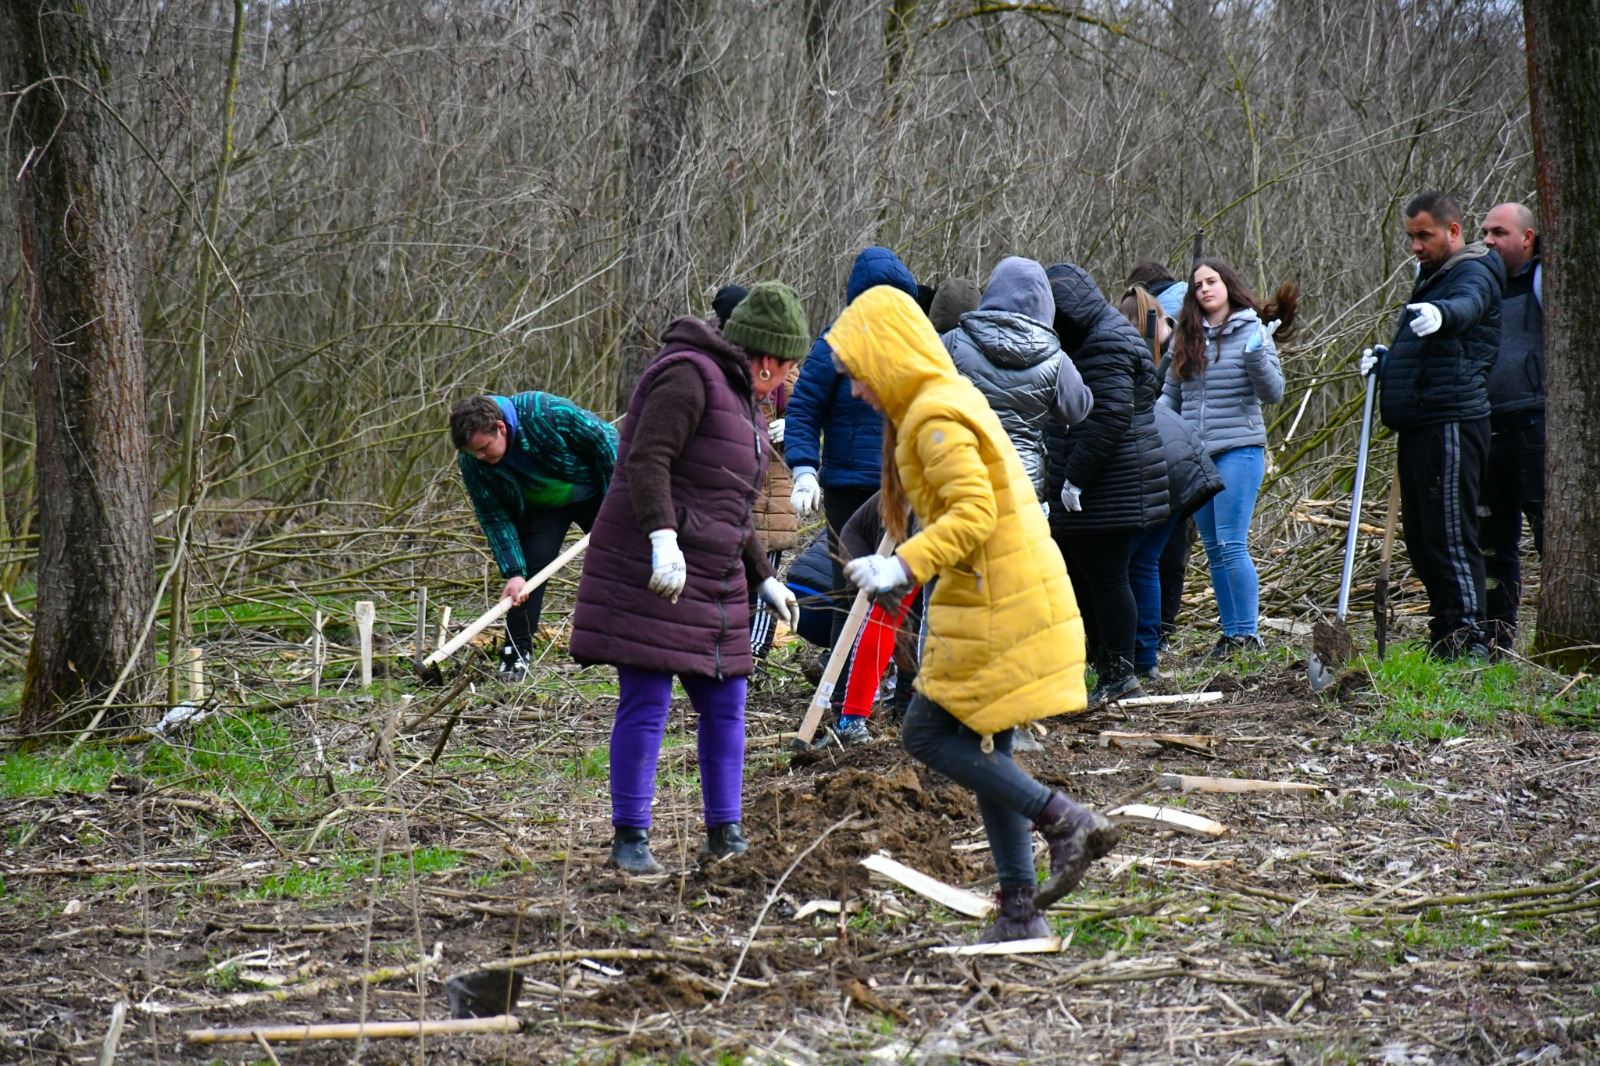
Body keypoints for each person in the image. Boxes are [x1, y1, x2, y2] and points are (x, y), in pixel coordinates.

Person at [826, 283, 1118, 943]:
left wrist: (900, 566)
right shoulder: (937, 403)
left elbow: (973, 513)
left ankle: (1065, 819)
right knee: (991, 747)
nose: (852, 392)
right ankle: (1020, 913)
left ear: (886, 357)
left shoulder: (931, 418)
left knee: (925, 734)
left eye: (856, 375)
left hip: (996, 602)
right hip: (1002, 593)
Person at [569, 282, 810, 875]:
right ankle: (630, 840)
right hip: (657, 570)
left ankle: (724, 834)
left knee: (727, 701)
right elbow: (647, 460)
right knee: (647, 699)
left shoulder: (743, 401)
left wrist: (763, 578)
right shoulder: (688, 376)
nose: (786, 380)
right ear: (765, 357)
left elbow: (730, 499)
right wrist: (661, 537)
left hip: (717, 578)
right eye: (786, 367)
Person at [1361, 191, 1502, 660]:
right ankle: (1445, 633)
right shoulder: (1431, 277)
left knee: (1448, 532)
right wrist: (1389, 360)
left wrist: (1443, 315)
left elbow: (1469, 306)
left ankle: (1469, 638)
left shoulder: (1472, 269)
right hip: (1421, 420)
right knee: (1421, 538)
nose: (1416, 246)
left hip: (1452, 421)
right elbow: (1424, 346)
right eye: (1411, 237)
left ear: (1454, 231)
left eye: (1425, 235)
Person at [1044, 263, 1170, 705]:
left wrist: (1075, 478)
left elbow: (1110, 415)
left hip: (1111, 483)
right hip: (1104, 484)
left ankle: (1120, 673)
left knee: (1109, 579)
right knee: (1088, 578)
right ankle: (1103, 668)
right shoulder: (1098, 336)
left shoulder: (1105, 342)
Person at [786, 247, 917, 653]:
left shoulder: (913, 343)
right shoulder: (834, 343)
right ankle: (842, 692)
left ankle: (894, 693)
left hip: (899, 486)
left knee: (902, 588)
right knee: (849, 589)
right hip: (846, 486)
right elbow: (804, 408)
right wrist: (804, 468)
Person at [1162, 258, 1295, 657]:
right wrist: (1159, 431)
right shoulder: (1185, 337)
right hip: (1196, 456)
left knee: (1232, 544)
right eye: (1198, 284)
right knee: (1214, 547)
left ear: (1228, 286)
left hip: (1239, 449)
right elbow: (1170, 395)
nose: (1205, 289)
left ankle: (1247, 636)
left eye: (1212, 281)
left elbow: (1273, 393)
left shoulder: (1253, 329)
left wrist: (1256, 354)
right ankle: (1231, 635)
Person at [450, 392, 618, 678]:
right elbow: (494, 517)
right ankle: (515, 655)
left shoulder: (546, 413)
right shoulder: (474, 464)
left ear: (500, 428)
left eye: (484, 448)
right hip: (543, 508)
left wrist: (618, 505)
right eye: (471, 452)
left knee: (622, 561)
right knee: (528, 576)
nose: (479, 457)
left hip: (596, 491)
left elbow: (608, 446)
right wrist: (514, 572)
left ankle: (630, 639)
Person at [1117, 286, 1224, 679]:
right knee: (1143, 563)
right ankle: (1145, 658)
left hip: (1171, 467)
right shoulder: (1147, 357)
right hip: (1182, 462)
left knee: (1131, 564)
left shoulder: (1117, 359)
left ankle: (1138, 656)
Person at [944, 257, 1093, 501]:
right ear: (1044, 301)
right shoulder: (1055, 359)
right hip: (1019, 487)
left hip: (959, 474)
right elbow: (1077, 410)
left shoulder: (955, 341)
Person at [712, 287, 802, 659]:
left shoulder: (788, 371)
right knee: (733, 570)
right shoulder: (717, 370)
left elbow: (809, 414)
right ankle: (728, 643)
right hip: (737, 484)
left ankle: (756, 649)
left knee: (767, 565)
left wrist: (792, 428)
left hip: (776, 485)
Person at [1478, 202, 1543, 652]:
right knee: (1490, 541)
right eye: (1484, 232)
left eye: (1498, 232)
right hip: (1484, 426)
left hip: (1538, 424)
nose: (1487, 240)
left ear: (1527, 237)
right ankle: (1494, 640)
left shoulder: (1548, 282)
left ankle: (1568, 640)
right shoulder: (1478, 286)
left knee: (1548, 530)